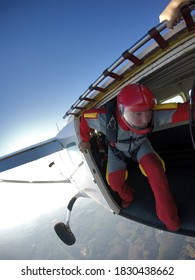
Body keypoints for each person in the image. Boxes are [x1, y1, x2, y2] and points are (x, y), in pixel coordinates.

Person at [79, 84, 189, 232]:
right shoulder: (104, 119)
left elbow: (184, 110)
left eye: (148, 111)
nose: (145, 119)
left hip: (140, 145)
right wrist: (85, 140)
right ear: (122, 111)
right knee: (115, 183)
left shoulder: (153, 115)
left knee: (155, 170)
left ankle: (169, 219)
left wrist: (86, 140)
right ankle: (128, 196)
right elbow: (85, 119)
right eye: (137, 114)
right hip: (117, 149)